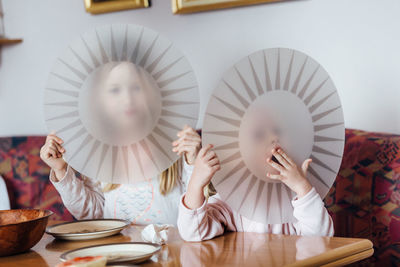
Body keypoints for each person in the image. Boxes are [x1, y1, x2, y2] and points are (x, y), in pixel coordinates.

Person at [40, 126, 209, 225]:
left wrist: (194, 164)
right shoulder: (102, 164)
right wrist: (61, 170)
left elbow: (199, 216)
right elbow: (90, 213)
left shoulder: (178, 161)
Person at [177, 144, 334, 241]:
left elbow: (323, 238)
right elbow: (193, 232)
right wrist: (196, 184)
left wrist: (302, 188)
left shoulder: (295, 204)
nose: (271, 147)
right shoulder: (228, 201)